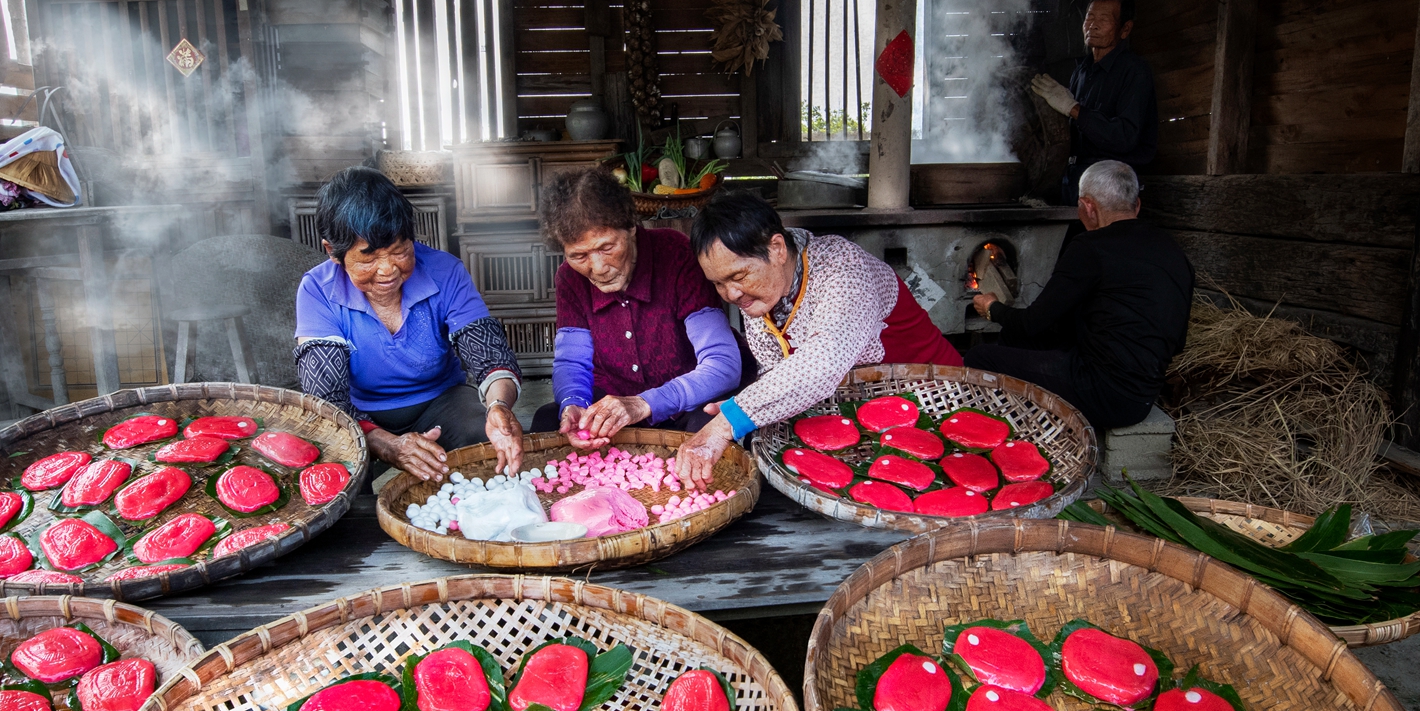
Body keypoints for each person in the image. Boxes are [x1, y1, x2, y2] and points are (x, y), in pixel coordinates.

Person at [668, 191, 962, 487]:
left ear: (777, 249)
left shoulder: (844, 267)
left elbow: (823, 361)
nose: (731, 294)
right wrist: (747, 406)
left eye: (739, 276)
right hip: (859, 422)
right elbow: (775, 371)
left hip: (936, 405)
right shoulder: (762, 291)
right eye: (718, 283)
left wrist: (729, 420)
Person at [293, 167, 525, 482]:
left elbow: (491, 358)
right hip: (360, 413)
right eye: (368, 258)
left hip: (442, 402)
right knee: (332, 465)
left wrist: (498, 404)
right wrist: (388, 445)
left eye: (400, 250)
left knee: (481, 437)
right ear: (333, 252)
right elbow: (328, 401)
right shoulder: (317, 290)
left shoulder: (445, 271)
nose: (387, 269)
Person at [968, 160, 1192, 431]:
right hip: (1142, 396)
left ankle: (1001, 435)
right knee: (1017, 338)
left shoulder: (1091, 247)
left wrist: (993, 308)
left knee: (980, 358)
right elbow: (1177, 343)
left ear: (1088, 207)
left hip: (1103, 393)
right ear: (1137, 205)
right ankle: (1021, 423)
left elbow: (1031, 322)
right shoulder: (1171, 249)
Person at [533, 168, 744, 449]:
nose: (597, 268)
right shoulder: (570, 279)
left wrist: (644, 403)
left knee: (707, 432)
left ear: (631, 226)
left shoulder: (676, 254)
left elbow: (723, 365)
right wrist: (574, 404)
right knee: (548, 422)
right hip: (615, 410)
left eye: (606, 247)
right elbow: (573, 362)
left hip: (686, 403)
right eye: (579, 255)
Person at [1030, 0, 1157, 202]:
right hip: (1076, 178)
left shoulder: (1134, 71)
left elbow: (1125, 137)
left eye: (1104, 19)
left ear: (1125, 29)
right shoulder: (1082, 71)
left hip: (1113, 184)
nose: (1092, 25)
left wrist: (1073, 108)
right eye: (1089, 17)